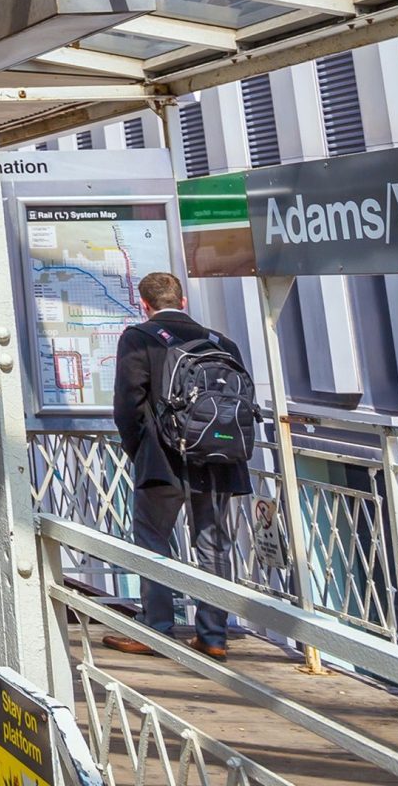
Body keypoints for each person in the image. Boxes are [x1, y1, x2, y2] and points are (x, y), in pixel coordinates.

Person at [102, 272, 254, 661]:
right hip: (221, 460)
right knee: (214, 545)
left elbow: (128, 406)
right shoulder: (224, 344)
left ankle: (156, 629)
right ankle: (214, 635)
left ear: (144, 305)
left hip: (165, 459)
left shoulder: (139, 338)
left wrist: (142, 451)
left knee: (154, 541)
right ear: (183, 301)